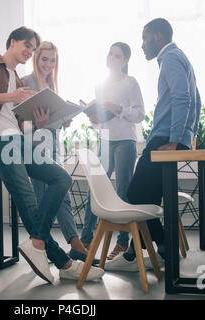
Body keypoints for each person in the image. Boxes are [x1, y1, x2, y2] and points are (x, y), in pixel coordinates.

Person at [0, 26, 104, 283]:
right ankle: (66, 263)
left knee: (61, 178)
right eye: (26, 45)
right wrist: (11, 95)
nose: (29, 51)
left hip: (17, 139)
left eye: (32, 48)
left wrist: (40, 122)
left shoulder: (16, 79)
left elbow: (18, 120)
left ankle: (37, 242)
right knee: (28, 202)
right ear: (12, 41)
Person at [105, 18, 201, 271]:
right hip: (171, 137)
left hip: (164, 139)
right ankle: (151, 249)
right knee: (150, 196)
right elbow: (196, 99)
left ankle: (160, 246)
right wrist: (187, 136)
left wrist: (174, 140)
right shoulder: (179, 58)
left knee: (135, 194)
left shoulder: (170, 58)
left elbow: (184, 98)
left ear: (158, 37)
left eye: (145, 38)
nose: (142, 45)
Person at [22, 41, 98, 264]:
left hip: (53, 145)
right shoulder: (26, 82)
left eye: (52, 60)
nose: (48, 64)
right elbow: (22, 121)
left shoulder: (51, 83)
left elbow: (49, 118)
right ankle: (47, 246)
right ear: (36, 59)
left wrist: (63, 120)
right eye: (44, 59)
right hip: (34, 146)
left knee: (62, 194)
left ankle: (72, 244)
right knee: (40, 200)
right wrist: (40, 123)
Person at [80, 42, 145, 260]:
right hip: (105, 140)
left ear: (125, 61)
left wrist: (118, 108)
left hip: (125, 141)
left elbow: (139, 115)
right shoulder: (100, 85)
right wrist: (95, 118)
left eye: (117, 56)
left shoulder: (130, 82)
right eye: (110, 54)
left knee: (123, 190)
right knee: (95, 189)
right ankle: (86, 239)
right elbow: (99, 121)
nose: (112, 58)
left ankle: (122, 243)